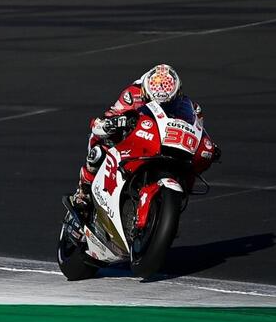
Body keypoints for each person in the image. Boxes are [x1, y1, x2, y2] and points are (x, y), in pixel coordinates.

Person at [71, 64, 219, 214]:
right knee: (98, 148)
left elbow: (199, 130)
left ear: (177, 94)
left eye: (168, 103)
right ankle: (84, 190)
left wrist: (209, 147)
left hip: (165, 145)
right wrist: (109, 123)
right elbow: (106, 118)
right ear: (145, 92)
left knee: (193, 163)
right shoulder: (132, 95)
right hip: (134, 141)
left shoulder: (191, 107)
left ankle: (175, 199)